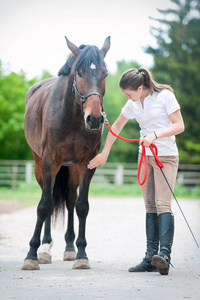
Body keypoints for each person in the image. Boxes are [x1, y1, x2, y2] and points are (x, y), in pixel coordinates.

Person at [87, 67, 185, 275]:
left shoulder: (165, 96)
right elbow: (116, 127)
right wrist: (104, 153)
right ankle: (150, 258)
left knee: (162, 204)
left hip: (165, 155)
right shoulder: (133, 104)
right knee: (150, 205)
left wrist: (155, 135)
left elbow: (179, 125)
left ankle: (165, 255)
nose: (127, 97)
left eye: (129, 93)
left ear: (140, 88)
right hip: (144, 156)